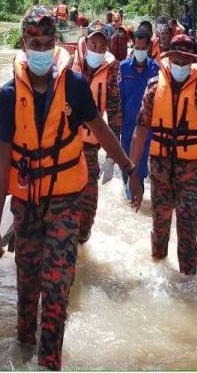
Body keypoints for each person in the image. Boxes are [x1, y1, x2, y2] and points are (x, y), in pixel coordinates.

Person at [0, 5, 140, 370]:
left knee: (56, 289)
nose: (39, 48)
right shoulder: (10, 95)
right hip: (25, 205)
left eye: (46, 41)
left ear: (55, 41)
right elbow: (3, 165)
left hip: (65, 199)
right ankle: (25, 350)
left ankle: (49, 362)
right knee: (27, 291)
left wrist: (127, 167)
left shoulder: (73, 86)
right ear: (23, 43)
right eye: (32, 41)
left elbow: (101, 130)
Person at [129, 34, 197, 275]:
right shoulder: (152, 88)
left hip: (190, 173)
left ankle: (188, 282)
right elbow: (139, 132)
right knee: (159, 228)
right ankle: (157, 275)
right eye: (176, 59)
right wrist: (133, 173)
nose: (180, 65)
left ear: (192, 61)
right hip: (159, 171)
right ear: (167, 58)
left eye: (185, 61)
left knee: (189, 231)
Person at [72, 26, 122, 244]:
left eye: (102, 46)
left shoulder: (111, 71)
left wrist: (112, 157)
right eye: (93, 44)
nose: (97, 49)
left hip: (91, 147)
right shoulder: (67, 65)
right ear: (86, 42)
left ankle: (82, 239)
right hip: (65, 144)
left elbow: (114, 114)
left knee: (89, 203)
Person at [118, 28, 160, 196]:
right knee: (125, 166)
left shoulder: (156, 70)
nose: (139, 51)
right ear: (132, 45)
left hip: (146, 130)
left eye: (143, 48)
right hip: (126, 128)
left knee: (140, 169)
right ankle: (128, 198)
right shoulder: (123, 68)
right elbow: (118, 100)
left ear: (149, 47)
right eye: (137, 47)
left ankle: (137, 197)